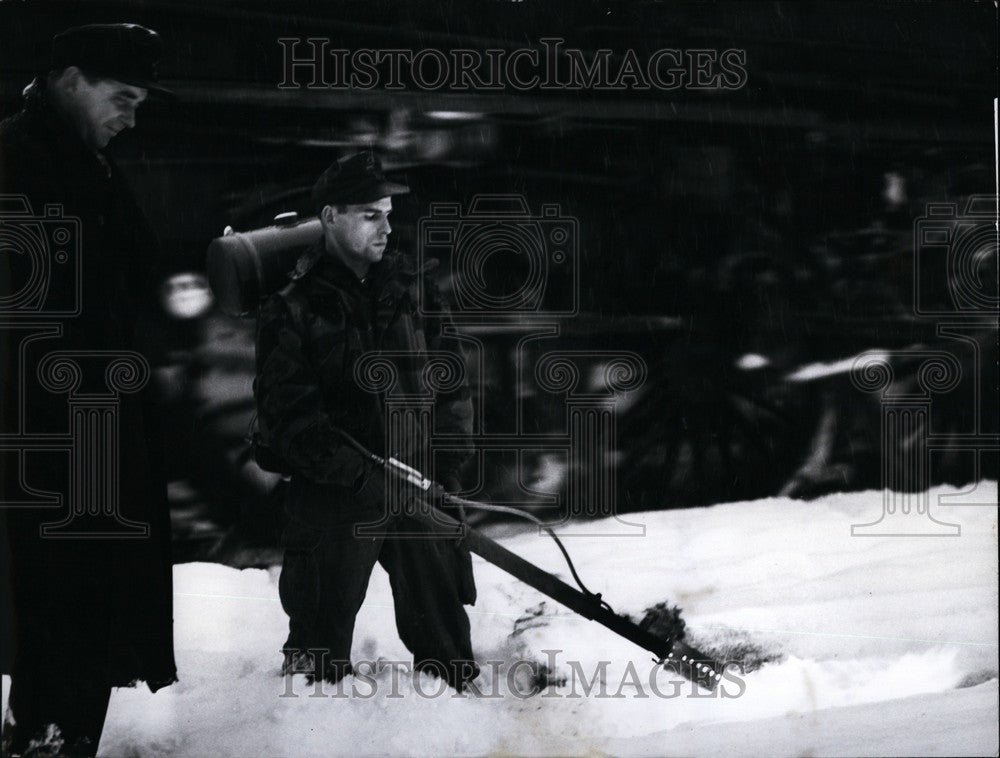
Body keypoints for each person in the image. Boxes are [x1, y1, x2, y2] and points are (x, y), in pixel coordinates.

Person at [0, 24, 177, 757]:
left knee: (88, 631)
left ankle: (56, 740)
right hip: (45, 446)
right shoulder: (15, 159)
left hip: (92, 441)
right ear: (70, 78)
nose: (132, 116)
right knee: (61, 626)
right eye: (121, 97)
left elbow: (134, 279)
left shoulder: (86, 165)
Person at [255, 152, 479, 692]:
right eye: (369, 215)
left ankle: (464, 730)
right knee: (316, 661)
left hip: (416, 483)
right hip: (336, 493)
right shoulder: (292, 306)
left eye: (387, 213)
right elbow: (289, 418)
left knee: (449, 655)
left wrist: (447, 469)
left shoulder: (412, 290)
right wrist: (360, 476)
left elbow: (451, 384)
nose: (386, 226)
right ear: (329, 217)